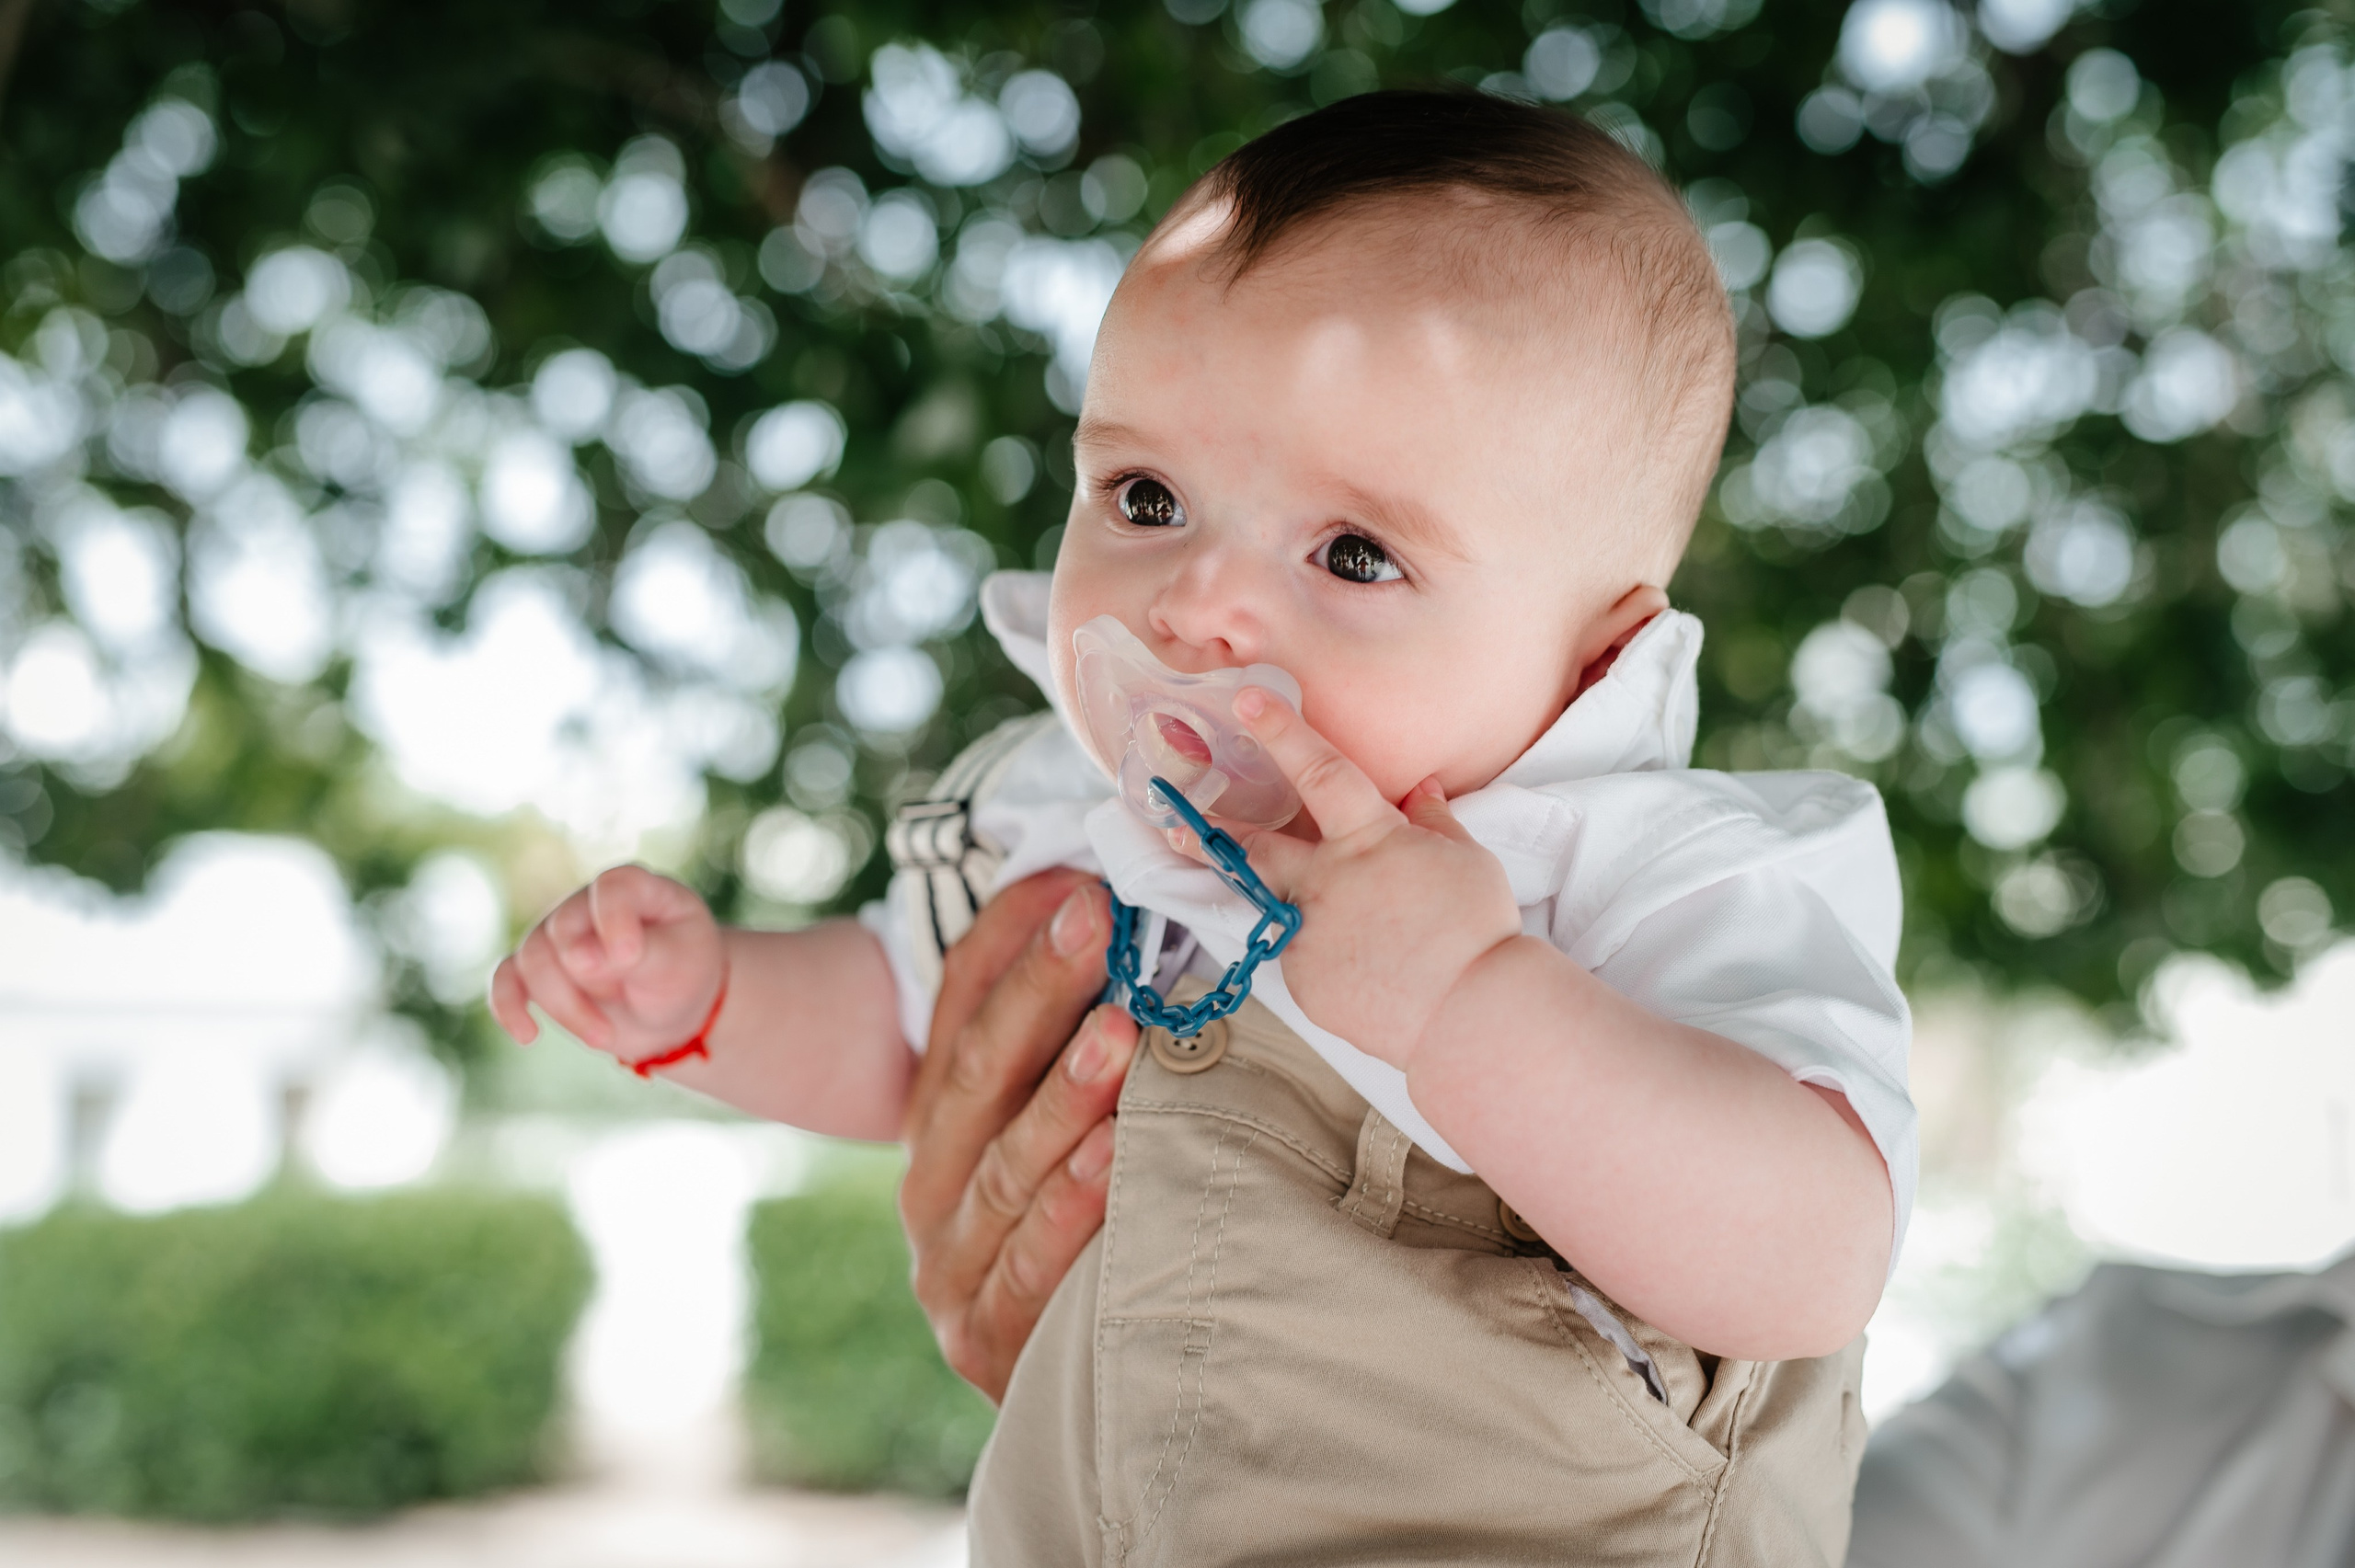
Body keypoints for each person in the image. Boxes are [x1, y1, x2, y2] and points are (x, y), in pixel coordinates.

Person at [491, 89, 1913, 1565]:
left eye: (1354, 551)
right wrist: (708, 997)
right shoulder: (1074, 815)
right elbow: (907, 1025)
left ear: (1597, 662)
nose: (1196, 604)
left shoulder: (1645, 872)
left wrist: (1472, 1001)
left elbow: (1813, 1255)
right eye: (1146, 494)